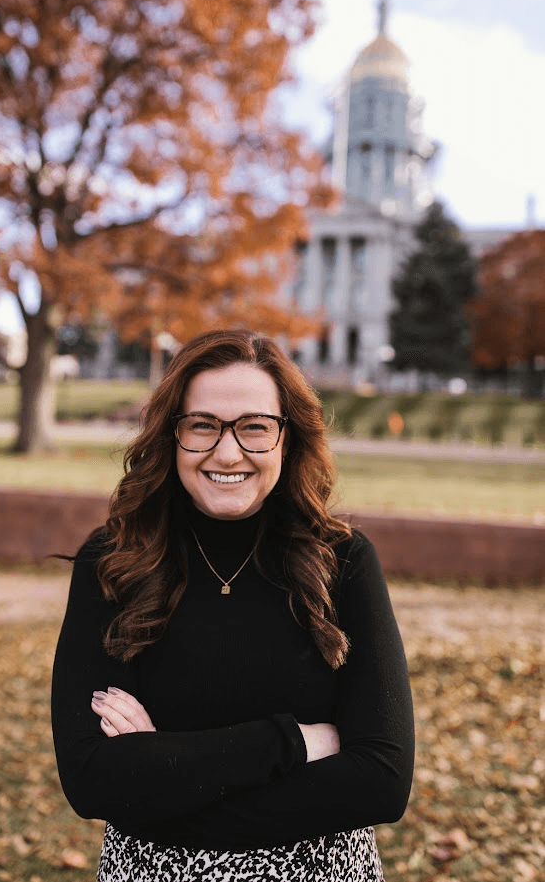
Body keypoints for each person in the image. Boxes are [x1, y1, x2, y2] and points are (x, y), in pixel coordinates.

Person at [51, 329, 415, 881]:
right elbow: (90, 779)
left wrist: (161, 773)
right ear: (172, 435)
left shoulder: (343, 561)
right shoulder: (113, 563)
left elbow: (382, 782)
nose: (227, 452)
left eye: (254, 428)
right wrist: (295, 741)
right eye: (202, 425)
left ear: (287, 439)